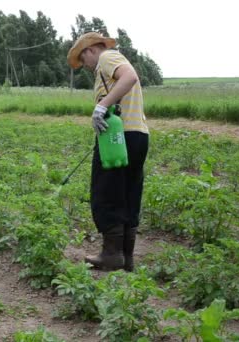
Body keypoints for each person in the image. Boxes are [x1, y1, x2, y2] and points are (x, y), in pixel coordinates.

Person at [67, 32, 149, 271]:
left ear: (91, 50)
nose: (85, 66)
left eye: (83, 60)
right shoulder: (110, 61)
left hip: (118, 138)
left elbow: (130, 77)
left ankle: (112, 255)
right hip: (137, 135)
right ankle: (126, 257)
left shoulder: (107, 58)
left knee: (106, 193)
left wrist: (101, 105)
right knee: (128, 194)